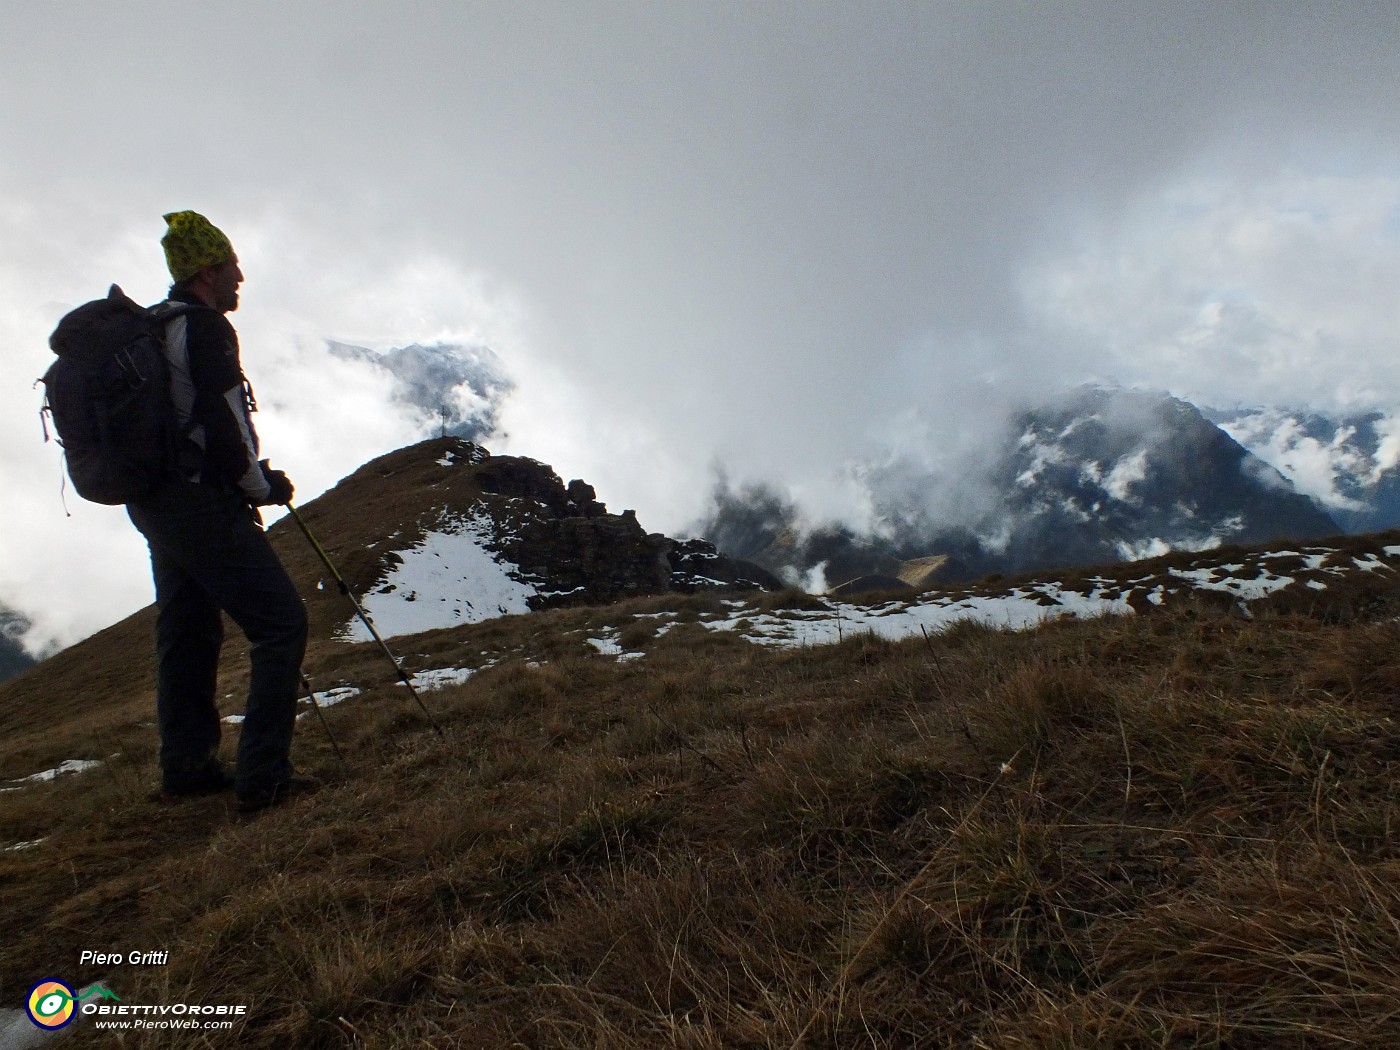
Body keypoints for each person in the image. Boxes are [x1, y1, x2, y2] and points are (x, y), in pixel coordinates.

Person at [125, 211, 314, 813]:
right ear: (209, 270)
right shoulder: (205, 329)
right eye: (233, 266)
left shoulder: (152, 327)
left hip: (154, 501)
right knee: (281, 624)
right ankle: (263, 779)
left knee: (186, 629)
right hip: (203, 499)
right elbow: (223, 420)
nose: (241, 277)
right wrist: (260, 486)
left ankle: (187, 767)